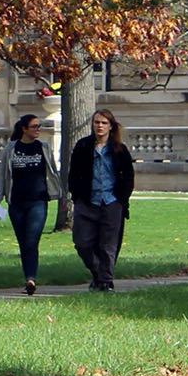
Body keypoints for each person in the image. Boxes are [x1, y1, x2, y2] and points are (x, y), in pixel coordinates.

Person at [67, 109, 136, 291]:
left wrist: (122, 199)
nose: (100, 126)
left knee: (108, 245)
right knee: (82, 243)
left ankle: (105, 282)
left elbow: (128, 176)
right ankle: (99, 274)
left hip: (111, 201)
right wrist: (76, 196)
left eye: (104, 123)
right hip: (88, 201)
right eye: (97, 122)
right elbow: (73, 174)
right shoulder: (83, 146)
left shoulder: (119, 149)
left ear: (110, 126)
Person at [0, 114, 60, 295]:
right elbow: (3, 176)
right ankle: (28, 278)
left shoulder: (43, 148)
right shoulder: (11, 149)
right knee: (23, 242)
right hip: (16, 202)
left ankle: (31, 278)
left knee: (32, 239)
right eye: (34, 127)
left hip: (38, 201)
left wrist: (58, 192)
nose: (37, 130)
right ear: (24, 129)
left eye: (39, 126)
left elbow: (53, 172)